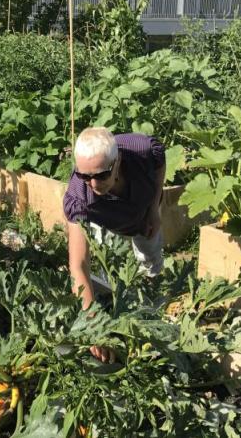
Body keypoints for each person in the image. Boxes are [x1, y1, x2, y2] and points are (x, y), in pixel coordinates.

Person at [63, 127, 166, 363]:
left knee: (151, 264)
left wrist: (154, 208)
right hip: (104, 221)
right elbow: (78, 265)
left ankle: (152, 319)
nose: (92, 182)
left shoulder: (142, 150)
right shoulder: (79, 198)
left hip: (142, 215)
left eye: (101, 175)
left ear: (117, 161)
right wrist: (95, 329)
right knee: (106, 270)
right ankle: (110, 308)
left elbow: (160, 163)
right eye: (84, 175)